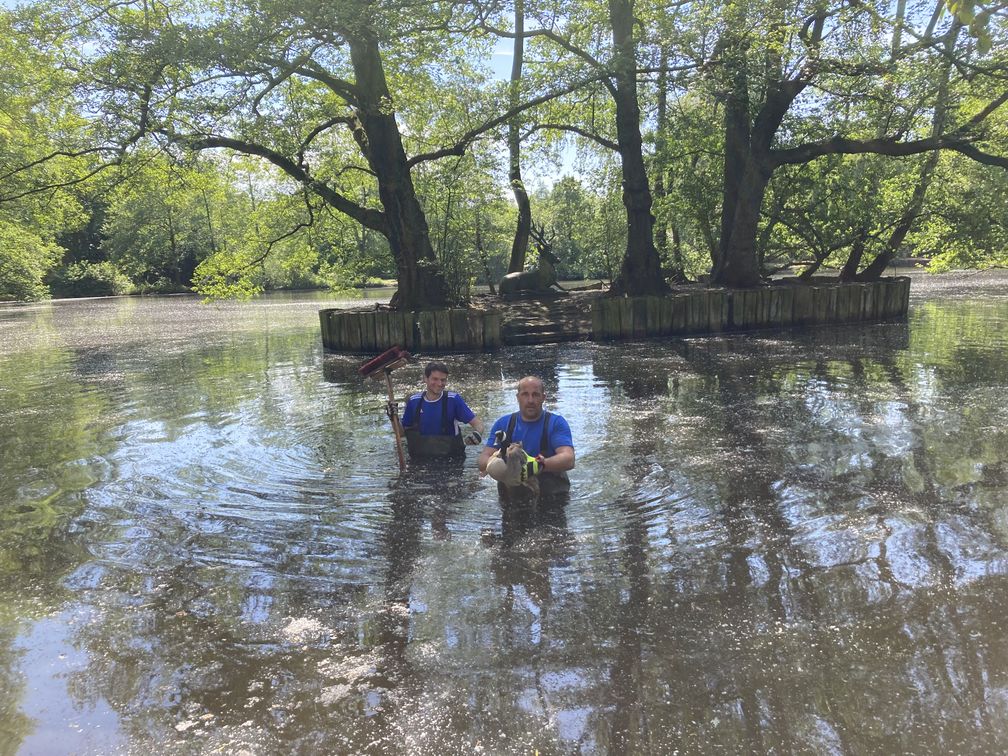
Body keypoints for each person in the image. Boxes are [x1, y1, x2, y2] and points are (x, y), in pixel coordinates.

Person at [478, 376, 575, 497]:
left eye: (535, 395)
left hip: (551, 496)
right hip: (511, 496)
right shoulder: (503, 424)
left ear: (543, 398)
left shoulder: (556, 423)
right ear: (518, 398)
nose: (530, 400)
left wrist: (537, 466)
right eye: (525, 394)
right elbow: (482, 460)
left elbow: (569, 459)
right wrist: (499, 467)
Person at [397, 361, 484, 458]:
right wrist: (394, 417)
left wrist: (477, 434)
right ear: (425, 379)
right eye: (435, 379)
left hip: (451, 460)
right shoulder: (414, 402)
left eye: (443, 380)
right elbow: (401, 434)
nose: (439, 383)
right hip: (420, 460)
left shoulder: (453, 400)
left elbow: (478, 424)